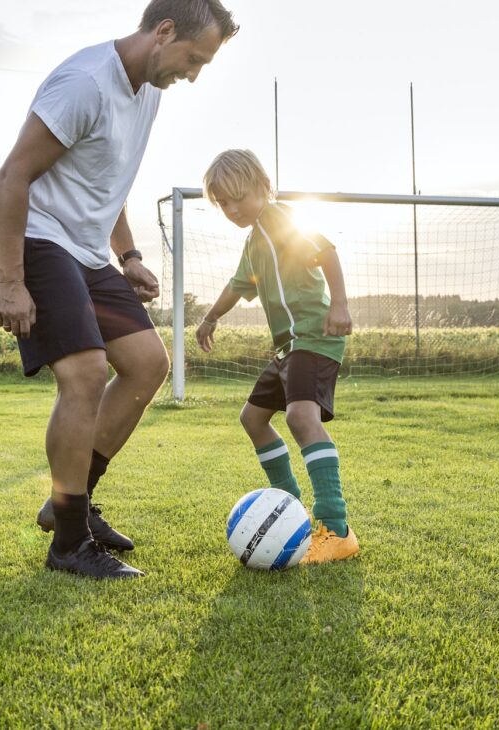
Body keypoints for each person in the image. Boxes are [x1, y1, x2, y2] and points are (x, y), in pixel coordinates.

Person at [0, 1, 239, 579]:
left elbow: (108, 179)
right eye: (192, 60)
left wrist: (128, 255)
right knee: (86, 374)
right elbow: (12, 177)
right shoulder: (84, 83)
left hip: (86, 250)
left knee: (149, 363)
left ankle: (68, 502)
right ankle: (70, 546)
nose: (192, 75)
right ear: (164, 31)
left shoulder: (148, 89)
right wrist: (11, 280)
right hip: (33, 238)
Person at [196, 149, 359, 564]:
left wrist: (339, 305)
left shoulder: (281, 218)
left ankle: (335, 529)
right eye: (224, 202)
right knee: (252, 418)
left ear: (263, 187)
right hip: (287, 346)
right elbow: (237, 285)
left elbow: (327, 253)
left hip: (314, 336)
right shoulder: (254, 241)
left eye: (240, 197)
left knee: (301, 417)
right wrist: (211, 317)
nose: (233, 209)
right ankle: (290, 508)